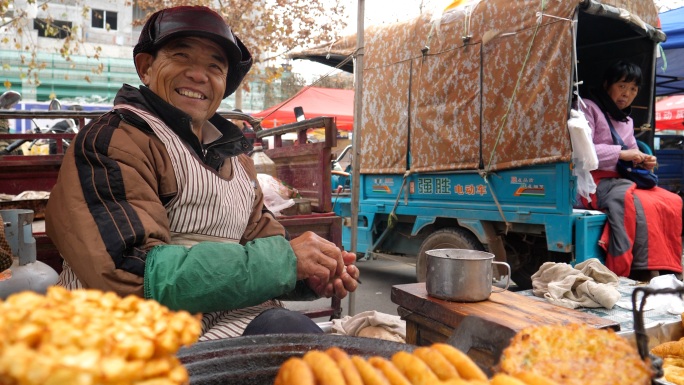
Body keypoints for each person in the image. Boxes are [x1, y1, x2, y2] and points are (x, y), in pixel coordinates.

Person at [45, 5, 359, 340]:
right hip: (130, 337)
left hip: (227, 323)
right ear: (146, 67)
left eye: (215, 66)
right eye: (181, 56)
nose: (199, 75)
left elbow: (263, 246)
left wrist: (306, 274)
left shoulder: (237, 160)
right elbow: (130, 271)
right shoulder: (113, 140)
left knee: (305, 350)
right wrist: (284, 262)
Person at [579, 60, 683, 281]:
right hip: (593, 182)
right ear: (608, 84)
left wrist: (644, 160)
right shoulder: (587, 107)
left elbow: (633, 152)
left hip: (621, 180)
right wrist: (621, 153)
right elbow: (582, 151)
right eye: (622, 86)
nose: (627, 93)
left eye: (633, 89)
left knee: (672, 200)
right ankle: (635, 267)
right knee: (636, 202)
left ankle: (666, 266)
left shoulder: (626, 120)